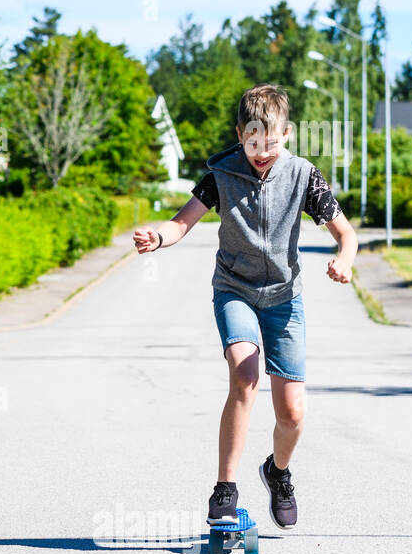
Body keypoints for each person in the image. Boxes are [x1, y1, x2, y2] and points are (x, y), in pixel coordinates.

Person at [132, 83, 357, 530]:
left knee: (292, 413)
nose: (261, 153)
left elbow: (345, 234)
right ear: (240, 134)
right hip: (234, 289)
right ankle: (225, 490)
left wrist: (344, 260)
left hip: (284, 299)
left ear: (287, 134)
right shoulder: (222, 173)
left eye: (271, 144)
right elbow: (182, 222)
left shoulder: (303, 175)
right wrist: (158, 238)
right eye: (253, 143)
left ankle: (277, 472)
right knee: (245, 373)